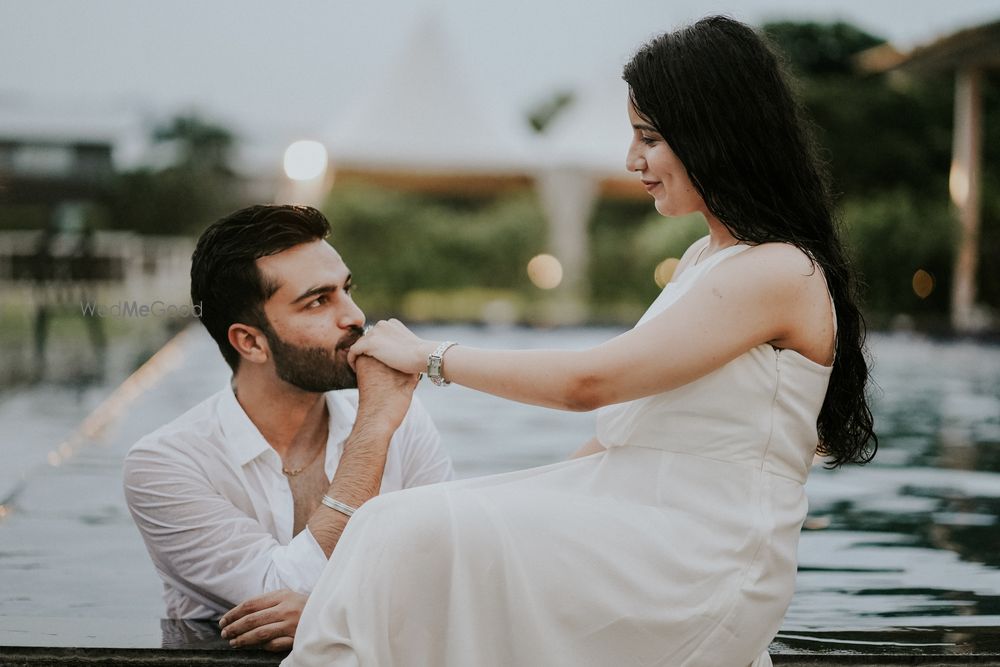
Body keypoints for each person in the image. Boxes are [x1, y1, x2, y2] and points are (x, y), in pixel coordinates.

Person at [282, 16, 878, 667]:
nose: (632, 161)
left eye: (649, 138)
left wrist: (431, 357)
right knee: (403, 528)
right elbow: (623, 429)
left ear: (713, 135)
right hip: (636, 526)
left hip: (699, 558)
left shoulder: (779, 271)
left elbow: (587, 385)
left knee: (404, 530)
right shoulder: (702, 261)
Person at [123, 205, 454, 651]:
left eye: (346, 289)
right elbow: (273, 587)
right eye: (318, 300)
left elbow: (447, 570)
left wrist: (332, 614)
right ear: (251, 342)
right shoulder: (166, 464)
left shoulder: (403, 418)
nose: (354, 316)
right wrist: (372, 430)